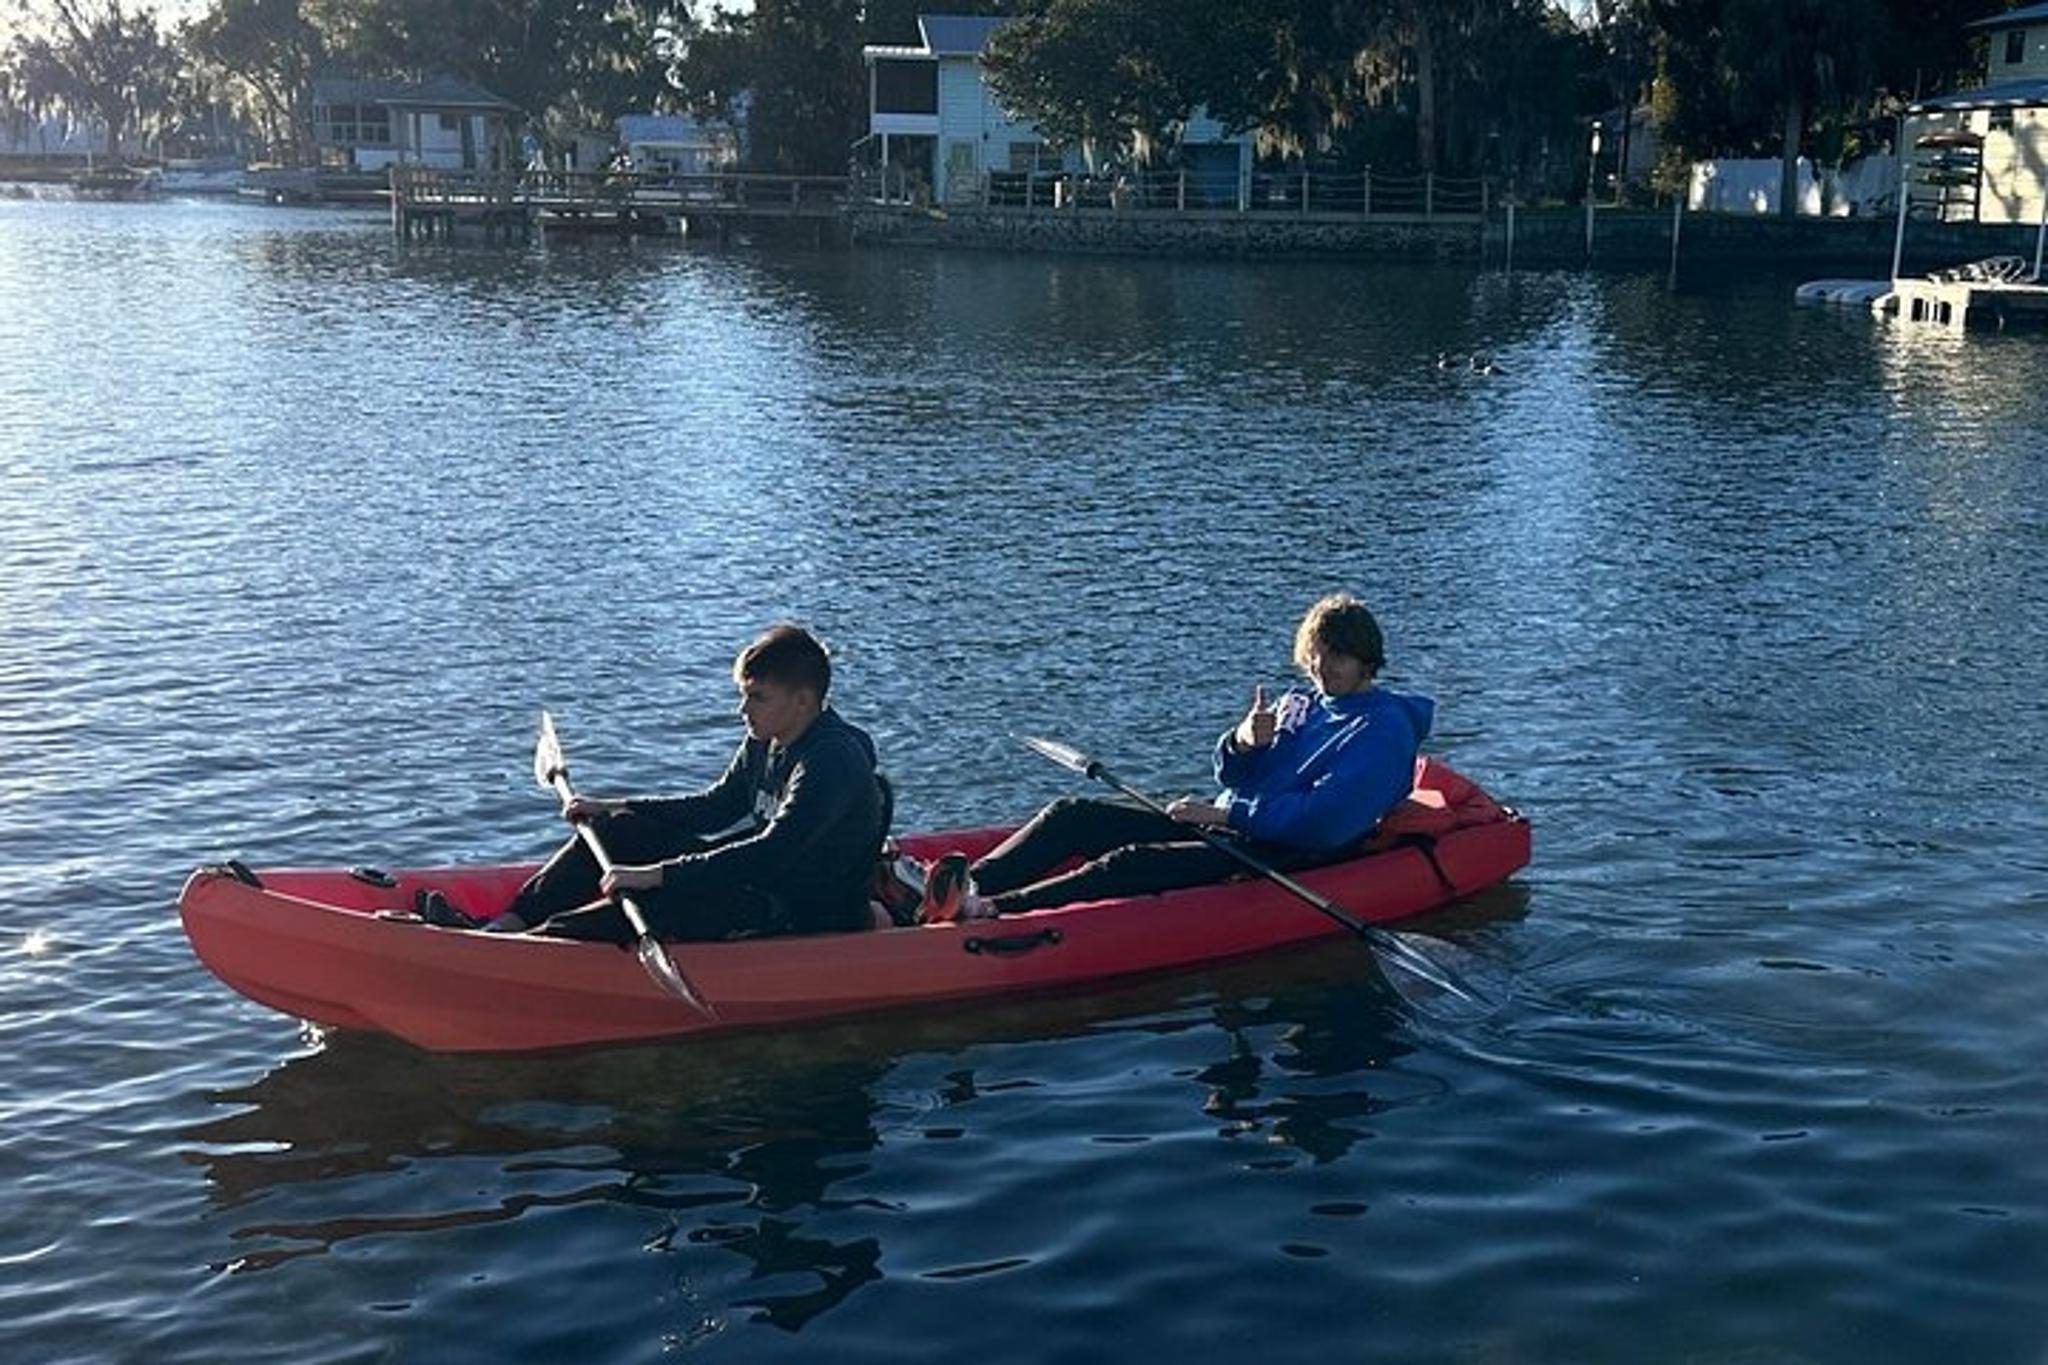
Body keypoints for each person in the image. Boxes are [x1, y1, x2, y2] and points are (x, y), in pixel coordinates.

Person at [921, 594, 1432, 921]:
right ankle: (960, 886)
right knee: (1070, 815)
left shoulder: (1381, 728)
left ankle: (989, 910)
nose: (1322, 666)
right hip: (1234, 825)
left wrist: (1223, 814)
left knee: (1129, 864)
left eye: (1338, 656)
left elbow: (1325, 822)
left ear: (1367, 660)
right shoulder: (1301, 704)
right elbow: (1231, 774)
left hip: (1286, 849)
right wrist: (1243, 743)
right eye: (1316, 653)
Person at [425, 624, 885, 942]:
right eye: (744, 695)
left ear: (803, 701)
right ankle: (503, 927)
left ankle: (524, 949)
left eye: (757, 697)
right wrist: (612, 807)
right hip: (757, 878)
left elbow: (771, 852)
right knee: (619, 830)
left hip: (797, 905)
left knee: (654, 903)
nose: (742, 710)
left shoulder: (832, 762)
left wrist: (656, 876)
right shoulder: (768, 737)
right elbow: (714, 808)